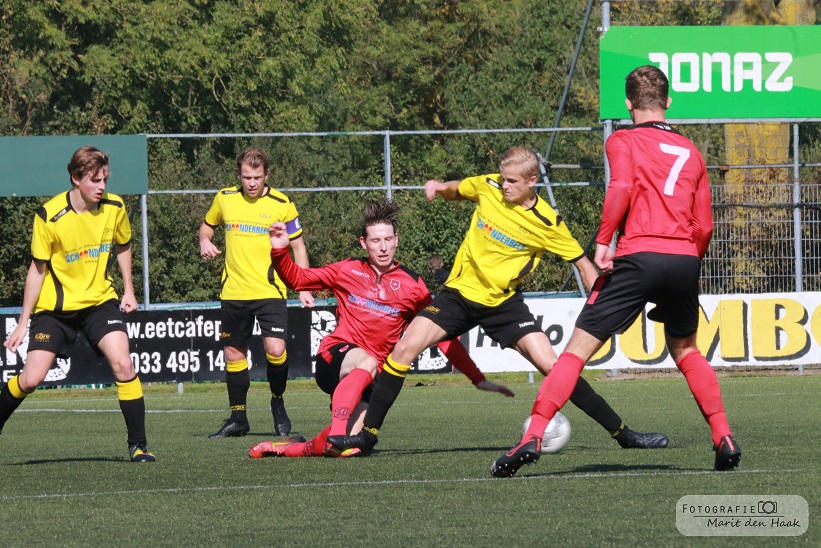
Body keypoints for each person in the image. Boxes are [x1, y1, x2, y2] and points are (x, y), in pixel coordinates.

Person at [328, 146, 669, 455]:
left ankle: (623, 434)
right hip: (458, 295)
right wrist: (438, 186)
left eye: (512, 181)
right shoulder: (489, 186)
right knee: (404, 349)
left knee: (556, 368)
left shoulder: (548, 222)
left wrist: (606, 309)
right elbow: (459, 189)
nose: (504, 185)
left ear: (532, 181)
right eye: (503, 178)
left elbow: (584, 266)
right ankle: (368, 436)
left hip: (504, 305)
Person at [491, 66, 740, 478]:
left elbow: (621, 188)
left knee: (575, 353)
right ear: (668, 102)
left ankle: (532, 436)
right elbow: (705, 226)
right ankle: (723, 436)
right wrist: (686, 263)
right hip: (684, 259)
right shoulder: (692, 151)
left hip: (638, 256)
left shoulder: (622, 140)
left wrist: (604, 241)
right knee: (687, 351)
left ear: (628, 103)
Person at [248, 199, 513, 458]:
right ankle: (338, 431)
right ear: (364, 243)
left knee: (347, 449)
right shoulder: (347, 269)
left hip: (373, 379)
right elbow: (298, 279)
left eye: (388, 239)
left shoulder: (413, 286)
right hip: (335, 359)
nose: (383, 247)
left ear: (397, 239)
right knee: (366, 363)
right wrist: (280, 251)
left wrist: (476, 377)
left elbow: (442, 336)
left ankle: (288, 447)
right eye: (376, 241)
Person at [0, 145, 154, 462]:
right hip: (55, 311)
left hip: (99, 302)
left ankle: (138, 446)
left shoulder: (115, 207)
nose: (102, 186)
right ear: (76, 178)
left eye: (105, 179)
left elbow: (123, 245)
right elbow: (37, 270)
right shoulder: (49, 216)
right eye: (95, 180)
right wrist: (23, 322)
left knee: (124, 364)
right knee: (31, 379)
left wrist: (129, 290)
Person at [199, 147, 314, 438]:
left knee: (276, 349)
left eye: (257, 177)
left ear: (266, 175)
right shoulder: (224, 198)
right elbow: (207, 227)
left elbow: (298, 246)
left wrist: (303, 285)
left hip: (270, 290)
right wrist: (204, 241)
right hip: (234, 291)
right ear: (239, 175)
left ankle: (277, 400)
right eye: (247, 177)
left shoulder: (282, 203)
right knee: (233, 353)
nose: (252, 183)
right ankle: (238, 418)